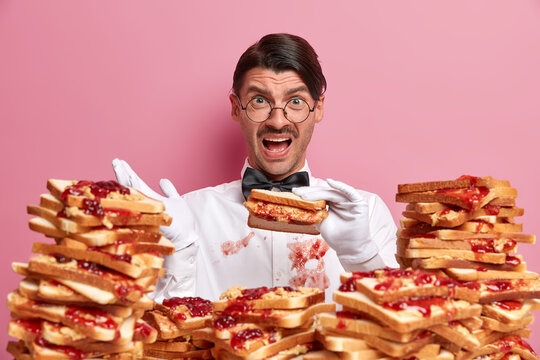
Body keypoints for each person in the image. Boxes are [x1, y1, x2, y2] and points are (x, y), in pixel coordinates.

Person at [113, 33, 397, 302]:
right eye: (260, 100)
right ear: (236, 108)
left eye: (295, 101)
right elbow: (161, 339)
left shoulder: (366, 215)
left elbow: (404, 335)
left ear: (318, 108)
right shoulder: (187, 217)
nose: (277, 121)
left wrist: (361, 256)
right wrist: (179, 252)